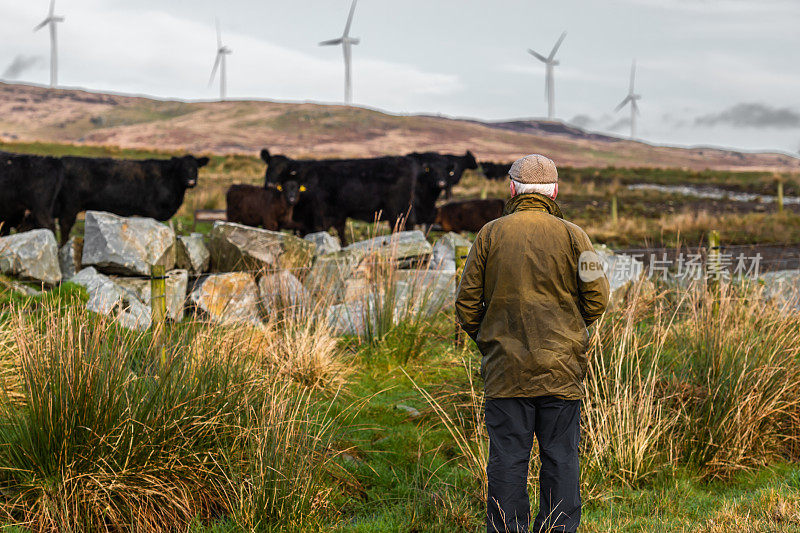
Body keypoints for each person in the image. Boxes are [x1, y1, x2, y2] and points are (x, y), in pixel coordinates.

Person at [455, 154, 609, 533]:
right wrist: (573, 333)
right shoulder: (577, 236)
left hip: (505, 371)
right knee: (561, 458)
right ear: (554, 191)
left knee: (507, 459)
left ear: (512, 189)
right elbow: (599, 297)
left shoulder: (489, 234)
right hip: (561, 370)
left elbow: (466, 303)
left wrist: (488, 340)